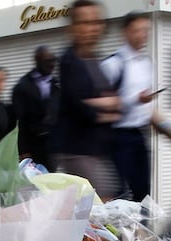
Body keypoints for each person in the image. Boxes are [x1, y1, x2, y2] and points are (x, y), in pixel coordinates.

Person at [51, 0, 121, 200]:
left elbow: (103, 100)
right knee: (100, 207)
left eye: (96, 22)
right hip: (78, 151)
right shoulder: (69, 60)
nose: (92, 28)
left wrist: (104, 105)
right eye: (85, 22)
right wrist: (109, 109)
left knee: (103, 207)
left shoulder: (94, 59)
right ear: (72, 28)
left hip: (98, 150)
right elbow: (79, 105)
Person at [101, 11, 155, 202]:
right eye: (137, 30)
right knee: (120, 192)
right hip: (116, 136)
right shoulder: (113, 64)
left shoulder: (146, 64)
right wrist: (135, 100)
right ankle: (115, 231)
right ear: (126, 32)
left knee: (143, 190)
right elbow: (101, 105)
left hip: (139, 134)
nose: (142, 35)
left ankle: (140, 231)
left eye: (145, 31)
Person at [12, 46, 60, 170]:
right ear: (37, 61)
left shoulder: (56, 84)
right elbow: (19, 121)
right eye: (48, 61)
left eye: (54, 60)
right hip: (33, 146)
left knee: (51, 180)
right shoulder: (22, 86)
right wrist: (23, 151)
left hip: (53, 146)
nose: (52, 64)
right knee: (35, 183)